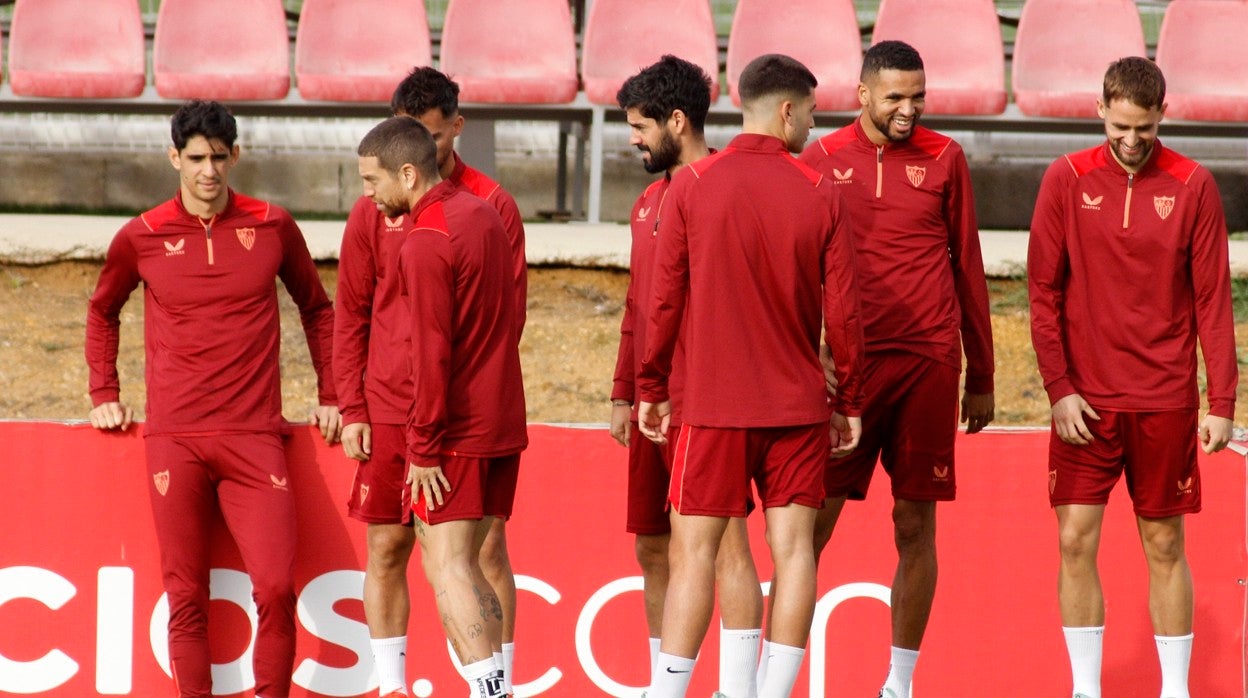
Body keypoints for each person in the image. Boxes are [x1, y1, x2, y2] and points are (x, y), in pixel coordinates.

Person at [85, 100, 342, 698]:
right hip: (176, 440)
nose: (209, 171)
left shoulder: (274, 225)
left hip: (255, 438)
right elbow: (102, 311)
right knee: (185, 595)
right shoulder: (142, 235)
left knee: (277, 587)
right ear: (174, 157)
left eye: (220, 157)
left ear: (236, 156)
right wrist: (105, 391)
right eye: (196, 158)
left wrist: (335, 394)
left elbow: (318, 309)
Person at [637, 54, 865, 698]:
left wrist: (652, 386)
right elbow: (845, 313)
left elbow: (664, 300)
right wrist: (850, 397)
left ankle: (667, 693)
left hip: (712, 408)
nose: (814, 130)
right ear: (787, 111)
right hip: (797, 408)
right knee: (794, 553)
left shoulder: (694, 185)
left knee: (695, 558)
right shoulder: (821, 190)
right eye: (814, 117)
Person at [1028, 56, 1237, 698]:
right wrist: (1059, 388)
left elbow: (1213, 301)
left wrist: (1221, 399)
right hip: (1084, 405)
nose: (1131, 141)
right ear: (1100, 110)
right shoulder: (1064, 179)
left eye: (1143, 129)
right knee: (1073, 541)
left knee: (1165, 544)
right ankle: (1085, 689)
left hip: (1164, 398)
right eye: (1120, 126)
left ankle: (1175, 689)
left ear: (1162, 116)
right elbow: (1042, 294)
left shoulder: (1194, 184)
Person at [797, 40, 995, 698]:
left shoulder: (946, 158)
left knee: (914, 524)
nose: (909, 108)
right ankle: (770, 679)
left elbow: (968, 266)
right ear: (860, 95)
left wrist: (983, 374)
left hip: (929, 365)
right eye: (895, 97)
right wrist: (806, 352)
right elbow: (796, 268)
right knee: (807, 526)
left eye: (918, 96)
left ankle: (899, 685)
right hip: (846, 371)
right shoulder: (821, 158)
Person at [334, 67, 526, 697]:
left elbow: (433, 352)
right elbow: (354, 311)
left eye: (372, 181)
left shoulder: (430, 234)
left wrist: (422, 444)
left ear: (408, 171)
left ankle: (490, 689)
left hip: (434, 422)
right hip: (475, 415)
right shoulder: (480, 216)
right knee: (438, 559)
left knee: (450, 565)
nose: (367, 195)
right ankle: (404, 686)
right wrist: (352, 400)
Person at [610, 55, 764, 697]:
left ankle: (738, 689)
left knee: (725, 548)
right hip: (652, 396)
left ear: (678, 119)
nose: (632, 139)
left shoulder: (729, 187)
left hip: (705, 400)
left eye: (641, 126)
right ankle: (661, 683)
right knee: (653, 545)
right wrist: (625, 388)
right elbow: (639, 303)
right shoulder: (649, 199)